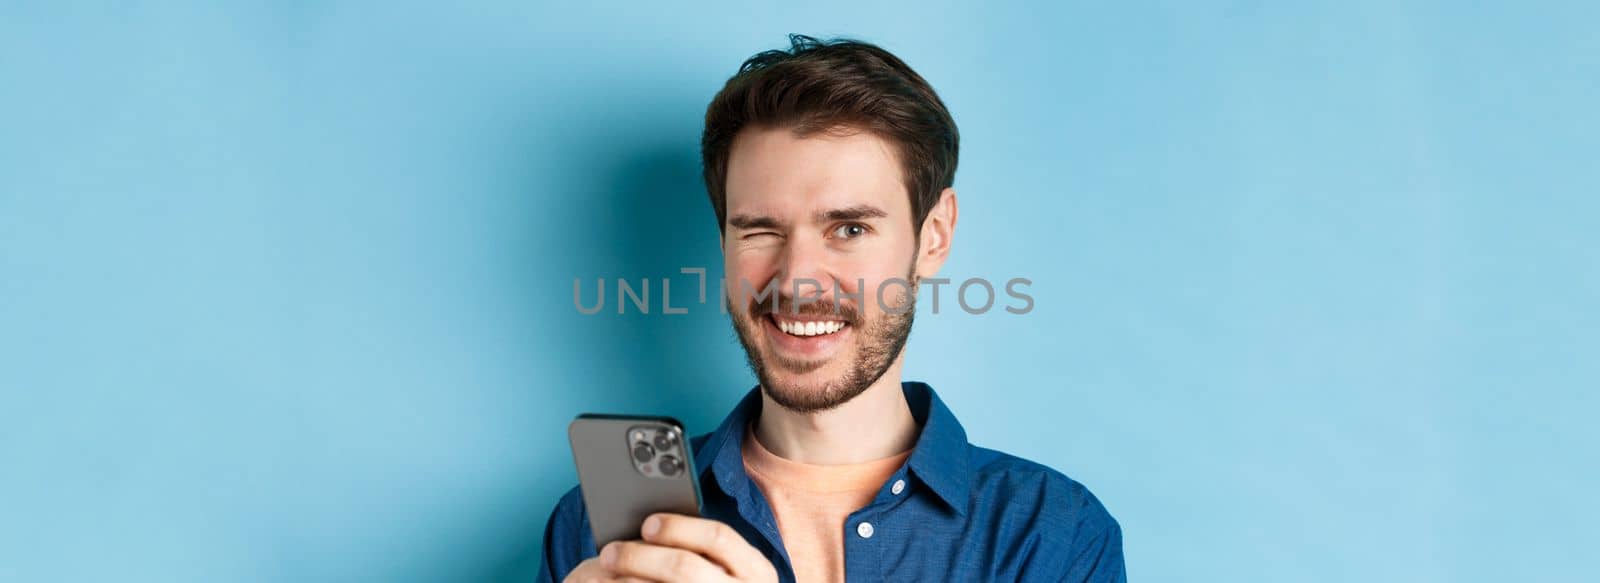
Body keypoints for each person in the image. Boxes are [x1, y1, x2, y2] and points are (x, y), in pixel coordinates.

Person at [539, 34, 1125, 582]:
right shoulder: (592, 528)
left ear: (935, 236)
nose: (796, 280)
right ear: (723, 243)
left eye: (849, 228)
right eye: (760, 231)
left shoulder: (1053, 534)